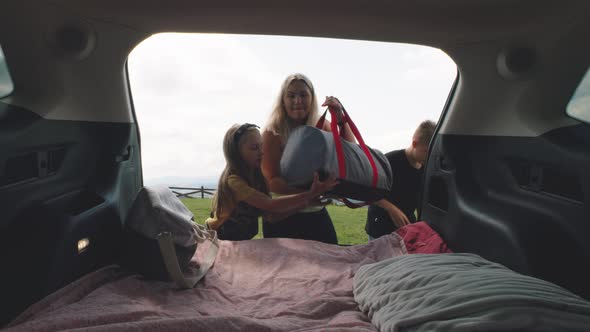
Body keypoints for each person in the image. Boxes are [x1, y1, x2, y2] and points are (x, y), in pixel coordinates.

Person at [261, 73, 355, 244]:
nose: (297, 101)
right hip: (282, 215)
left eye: (303, 95)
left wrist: (341, 118)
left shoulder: (322, 125)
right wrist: (309, 195)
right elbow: (271, 181)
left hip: (316, 213)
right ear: (283, 100)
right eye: (291, 95)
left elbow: (350, 154)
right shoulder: (272, 133)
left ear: (312, 98)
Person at [206, 123, 338, 241]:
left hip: (240, 239)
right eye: (254, 148)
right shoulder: (233, 182)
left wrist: (306, 203)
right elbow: (270, 204)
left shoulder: (258, 178)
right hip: (220, 237)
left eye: (261, 146)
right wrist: (309, 193)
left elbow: (271, 216)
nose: (261, 152)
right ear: (236, 153)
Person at [365, 120, 436, 240]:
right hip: (379, 229)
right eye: (426, 152)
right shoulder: (389, 161)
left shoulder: (426, 167)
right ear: (414, 143)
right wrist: (391, 208)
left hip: (406, 230)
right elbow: (367, 190)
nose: (429, 157)